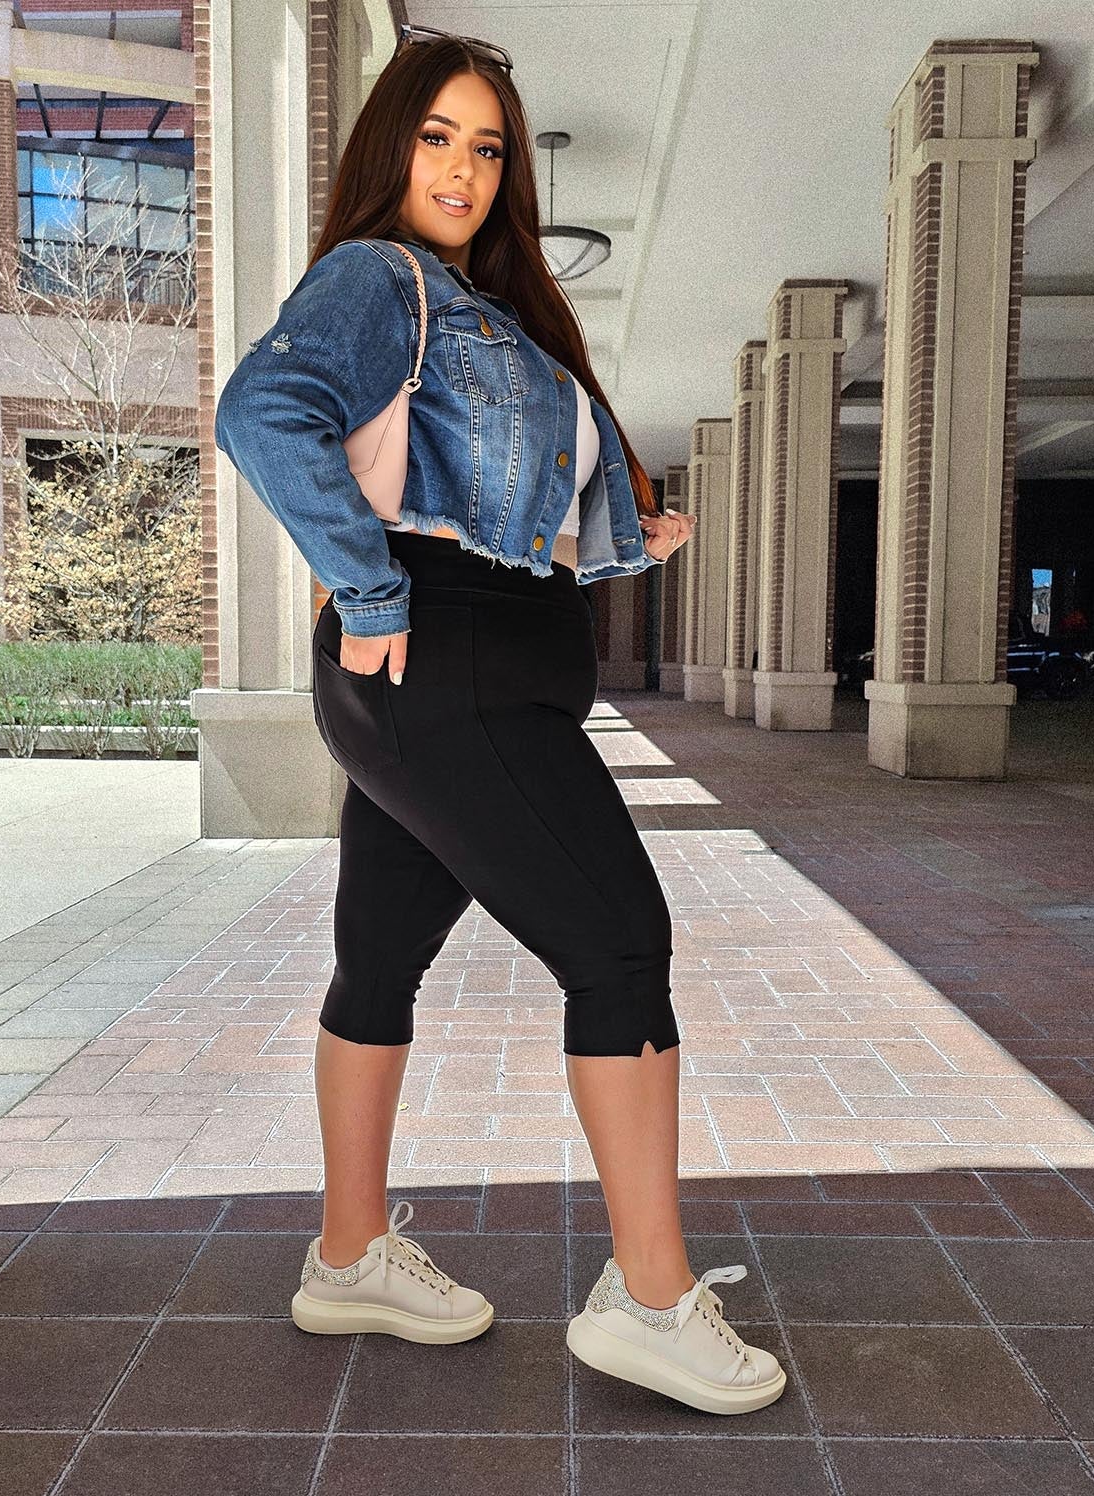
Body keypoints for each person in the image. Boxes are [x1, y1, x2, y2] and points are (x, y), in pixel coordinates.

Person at [215, 26, 786, 1418]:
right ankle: (649, 1297)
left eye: (487, 147)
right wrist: (367, 586)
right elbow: (264, 413)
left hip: (463, 673)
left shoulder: (494, 310)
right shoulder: (380, 277)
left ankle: (349, 1256)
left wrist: (628, 536)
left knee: (379, 959)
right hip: (444, 669)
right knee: (619, 943)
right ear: (390, 145)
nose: (463, 169)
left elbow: (498, 504)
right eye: (437, 138)